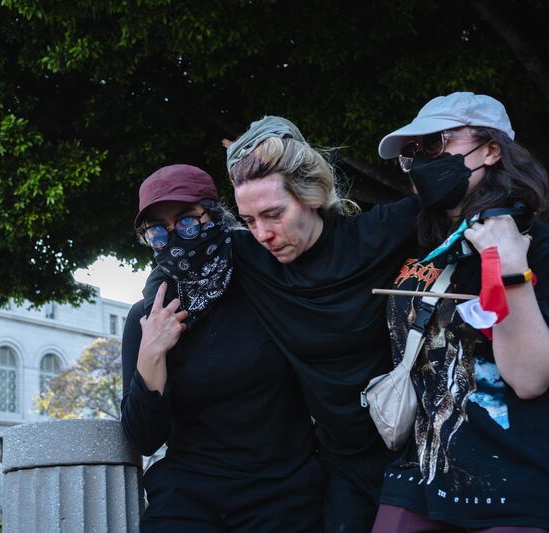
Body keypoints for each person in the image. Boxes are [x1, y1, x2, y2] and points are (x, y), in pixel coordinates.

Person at [220, 116, 421, 532]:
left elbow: (474, 199)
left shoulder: (377, 234)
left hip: (414, 453)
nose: (262, 234)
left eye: (274, 214)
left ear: (310, 194)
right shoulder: (250, 258)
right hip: (338, 463)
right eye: (249, 220)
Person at [371, 92, 549, 532]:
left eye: (436, 144)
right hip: (418, 473)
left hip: (512, 481)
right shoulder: (420, 242)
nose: (422, 160)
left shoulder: (537, 247)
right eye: (412, 154)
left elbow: (529, 380)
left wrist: (509, 271)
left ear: (490, 150)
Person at [120, 164, 324, 532]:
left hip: (280, 492)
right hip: (188, 496)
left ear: (214, 216)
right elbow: (144, 438)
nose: (174, 238)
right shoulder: (148, 316)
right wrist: (152, 351)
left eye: (185, 221)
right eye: (157, 231)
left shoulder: (268, 286)